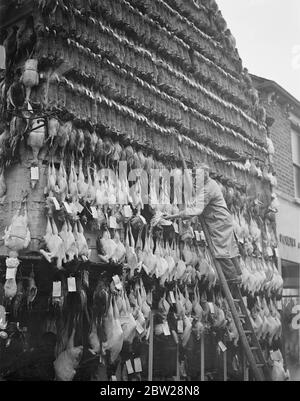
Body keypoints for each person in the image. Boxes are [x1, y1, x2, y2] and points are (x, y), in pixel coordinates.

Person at [164, 150, 242, 284]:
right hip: (221, 220)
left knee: (220, 251)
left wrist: (173, 216)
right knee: (229, 249)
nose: (196, 179)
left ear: (205, 175)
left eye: (198, 176)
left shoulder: (208, 189)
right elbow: (196, 203)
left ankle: (232, 277)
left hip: (218, 222)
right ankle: (237, 273)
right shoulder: (209, 184)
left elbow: (195, 210)